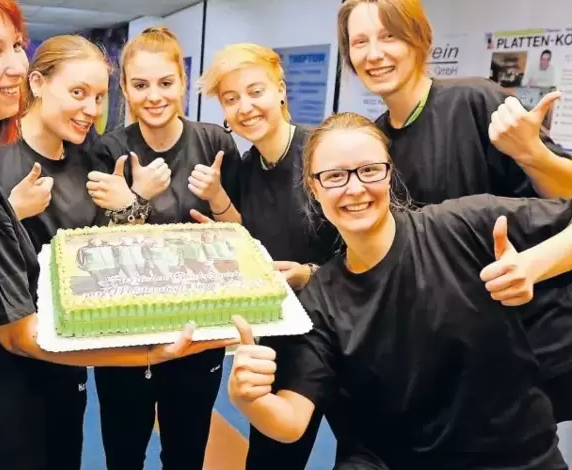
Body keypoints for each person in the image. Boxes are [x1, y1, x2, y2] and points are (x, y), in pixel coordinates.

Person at [0, 0, 233, 470]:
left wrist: (132, 207)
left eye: (15, 47)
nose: (13, 66)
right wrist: (146, 351)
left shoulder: (90, 157)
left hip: (50, 372)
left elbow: (90, 260)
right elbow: (11, 327)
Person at [229, 112, 572, 470]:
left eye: (370, 170)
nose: (355, 188)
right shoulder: (321, 301)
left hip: (517, 460)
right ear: (313, 188)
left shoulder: (463, 227)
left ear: (389, 174)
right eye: (334, 177)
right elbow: (291, 421)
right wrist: (251, 400)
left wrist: (535, 265)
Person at [338, 0, 572, 436]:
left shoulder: (475, 101)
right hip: (448, 354)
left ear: (419, 39)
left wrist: (533, 154)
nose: (374, 53)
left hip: (526, 340)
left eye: (389, 36)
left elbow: (564, 196)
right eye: (360, 42)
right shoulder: (375, 142)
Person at [89, 26, 242, 470]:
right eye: (139, 85)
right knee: (123, 452)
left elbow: (240, 234)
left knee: (186, 453)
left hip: (198, 331)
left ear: (182, 82)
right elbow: (95, 250)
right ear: (124, 88)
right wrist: (137, 199)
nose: (153, 96)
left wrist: (218, 200)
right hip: (126, 331)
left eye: (165, 83)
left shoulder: (214, 143)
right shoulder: (109, 150)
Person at [197, 42, 340, 469]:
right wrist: (218, 213)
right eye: (231, 98)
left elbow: (370, 246)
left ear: (280, 89)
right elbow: (250, 237)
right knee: (270, 460)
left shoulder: (323, 152)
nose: (246, 107)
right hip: (284, 340)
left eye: (255, 91)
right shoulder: (245, 167)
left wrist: (310, 273)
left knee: (367, 452)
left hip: (349, 332)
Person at [0, 34, 113, 470]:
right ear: (37, 83)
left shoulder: (91, 157)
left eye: (98, 97)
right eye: (77, 93)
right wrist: (9, 212)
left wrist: (128, 205)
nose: (91, 110)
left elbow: (99, 253)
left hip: (64, 351)